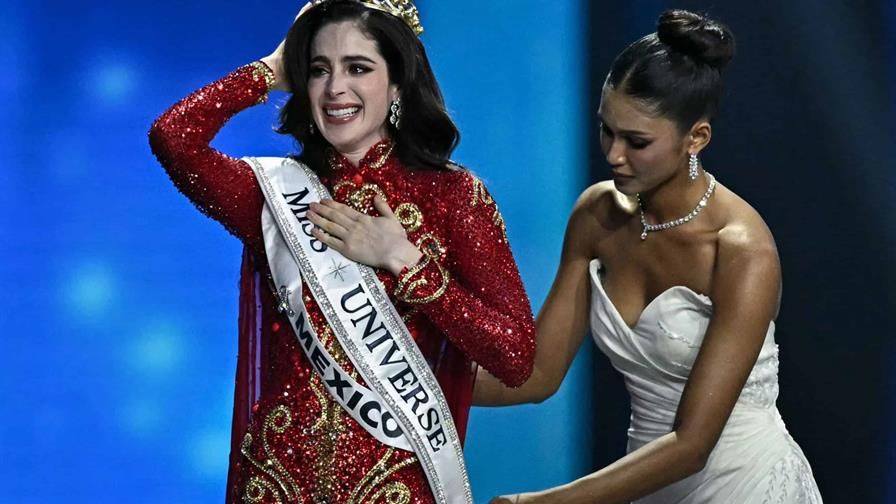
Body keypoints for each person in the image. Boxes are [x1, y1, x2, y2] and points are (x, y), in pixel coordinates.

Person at [148, 1, 535, 503]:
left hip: (395, 489)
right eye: (318, 69)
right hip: (277, 486)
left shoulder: (454, 198)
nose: (334, 88)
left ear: (398, 82)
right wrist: (269, 70)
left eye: (357, 68)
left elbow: (515, 356)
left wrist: (407, 263)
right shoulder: (274, 195)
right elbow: (173, 137)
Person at [473, 10, 822, 504]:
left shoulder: (741, 248)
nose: (613, 155)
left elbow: (692, 446)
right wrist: (407, 384)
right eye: (606, 130)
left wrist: (544, 502)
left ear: (696, 138)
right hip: (646, 484)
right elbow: (537, 374)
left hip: (745, 484)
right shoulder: (597, 215)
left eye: (637, 141)